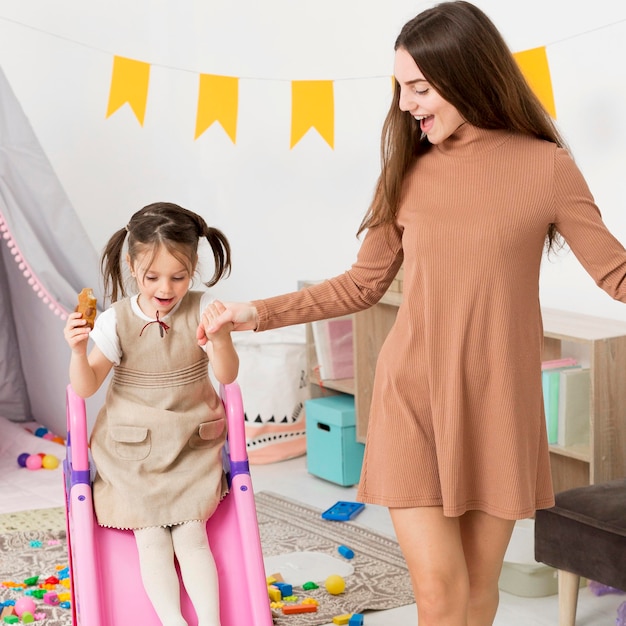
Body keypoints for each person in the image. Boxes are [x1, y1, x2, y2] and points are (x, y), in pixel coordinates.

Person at [198, 2, 626, 625]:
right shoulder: (408, 172)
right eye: (400, 87)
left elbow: (615, 273)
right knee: (440, 595)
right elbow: (362, 284)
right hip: (412, 399)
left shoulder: (546, 168)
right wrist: (254, 312)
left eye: (419, 88)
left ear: (468, 76)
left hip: (499, 407)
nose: (404, 104)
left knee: (480, 596)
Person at [64, 201, 237, 626]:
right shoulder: (115, 321)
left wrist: (221, 338)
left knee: (192, 535)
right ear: (131, 265)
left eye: (178, 277)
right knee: (151, 536)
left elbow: (227, 375)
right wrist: (76, 350)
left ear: (193, 267)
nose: (165, 287)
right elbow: (86, 387)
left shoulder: (203, 309)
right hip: (133, 454)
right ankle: (173, 621)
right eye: (152, 276)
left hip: (189, 446)